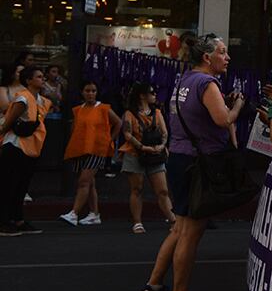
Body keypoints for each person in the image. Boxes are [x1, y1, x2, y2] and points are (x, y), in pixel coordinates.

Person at [137, 33, 246, 291]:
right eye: (223, 52)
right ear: (207, 57)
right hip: (198, 164)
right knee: (190, 233)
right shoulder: (207, 83)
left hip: (180, 159)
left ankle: (154, 287)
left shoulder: (184, 80)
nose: (227, 57)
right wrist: (237, 105)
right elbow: (223, 119)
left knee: (179, 228)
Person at [59, 81, 122, 227]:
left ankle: (74, 213)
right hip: (81, 148)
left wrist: (108, 140)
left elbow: (118, 122)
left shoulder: (103, 108)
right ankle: (94, 214)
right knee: (90, 183)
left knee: (83, 181)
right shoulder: (78, 110)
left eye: (93, 91)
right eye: (87, 91)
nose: (91, 94)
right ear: (82, 92)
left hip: (97, 149)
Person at [0, 66, 50, 235]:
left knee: (22, 186)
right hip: (15, 146)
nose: (43, 79)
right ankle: (4, 221)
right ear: (28, 80)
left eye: (43, 77)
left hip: (31, 148)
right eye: (39, 77)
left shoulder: (42, 101)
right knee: (9, 185)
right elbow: (8, 122)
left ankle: (18, 219)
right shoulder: (23, 99)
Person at [120, 82, 175, 233]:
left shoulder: (157, 112)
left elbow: (164, 132)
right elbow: (127, 134)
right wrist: (142, 147)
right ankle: (137, 221)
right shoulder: (129, 114)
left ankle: (173, 220)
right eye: (151, 92)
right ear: (142, 95)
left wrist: (161, 146)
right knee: (136, 188)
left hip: (155, 153)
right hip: (135, 153)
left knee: (162, 190)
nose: (154, 95)